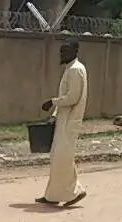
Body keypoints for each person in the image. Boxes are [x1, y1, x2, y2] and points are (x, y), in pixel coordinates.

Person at [36, 37, 88, 207]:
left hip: (70, 122)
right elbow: (66, 97)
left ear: (75, 51)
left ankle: (74, 192)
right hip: (64, 120)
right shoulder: (69, 69)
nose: (62, 53)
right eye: (61, 51)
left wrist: (52, 102)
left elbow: (72, 98)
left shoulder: (75, 70)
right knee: (59, 158)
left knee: (62, 159)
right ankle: (53, 196)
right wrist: (55, 114)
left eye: (65, 51)